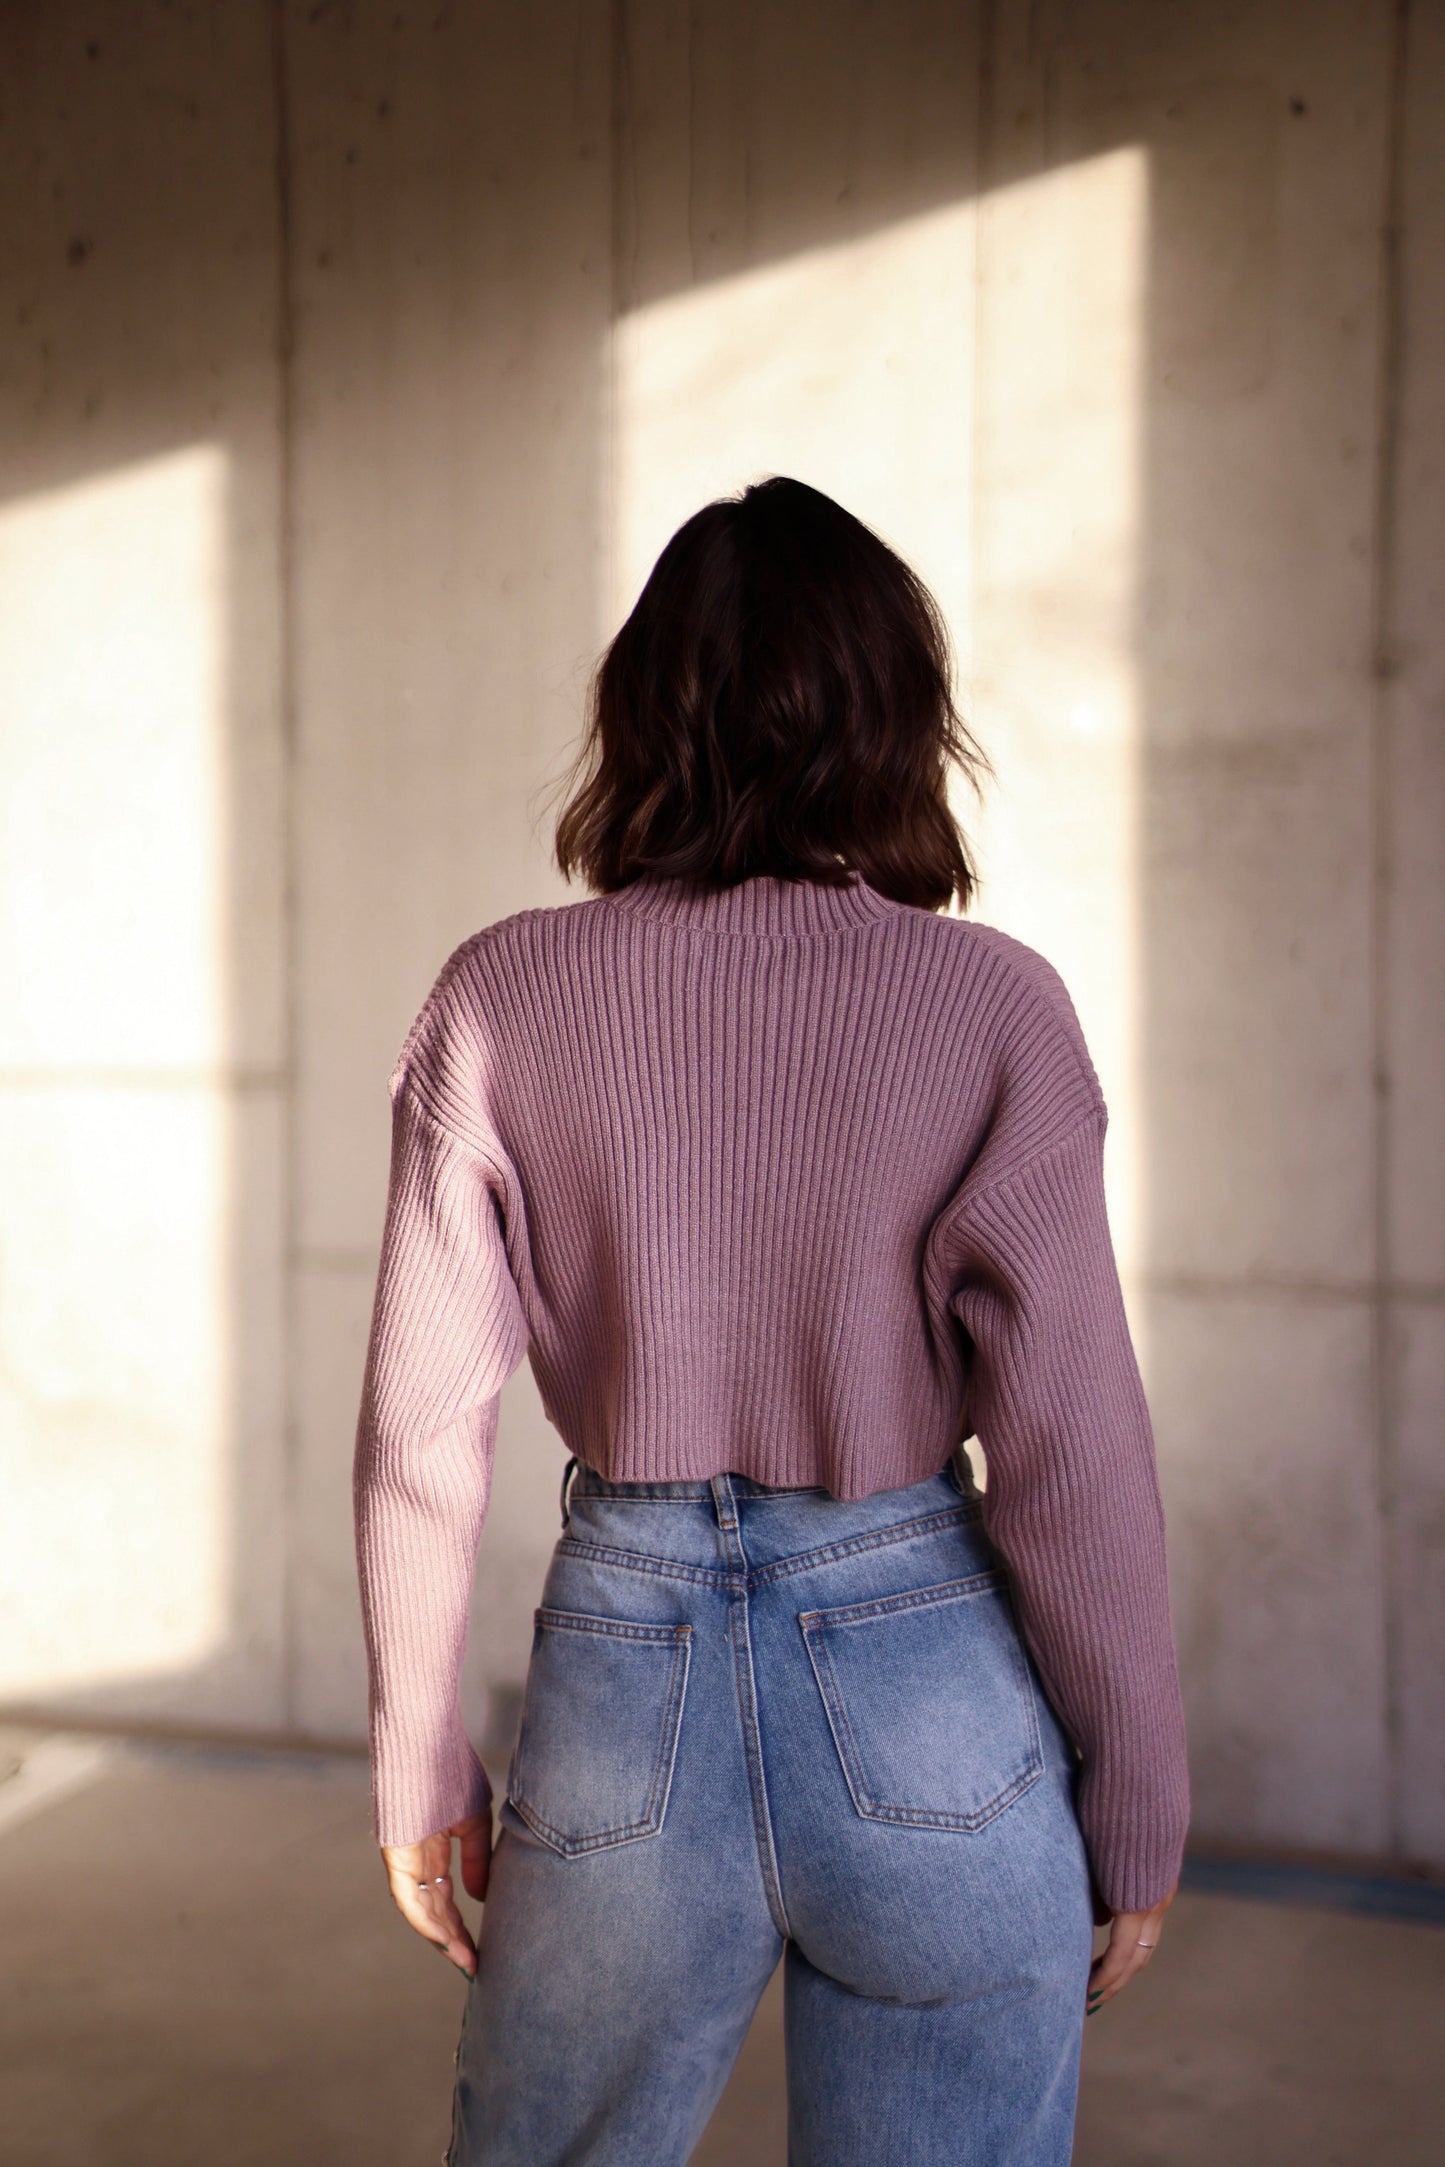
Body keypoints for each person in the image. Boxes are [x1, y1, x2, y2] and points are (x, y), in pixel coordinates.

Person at [352, 476, 1190, 2165]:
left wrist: (416, 1760)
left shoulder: (500, 994)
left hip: (624, 1686)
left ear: (640, 716)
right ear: (899, 720)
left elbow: (421, 1430)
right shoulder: (992, 1006)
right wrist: (1138, 1794)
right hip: (930, 1699)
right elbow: (1070, 1447)